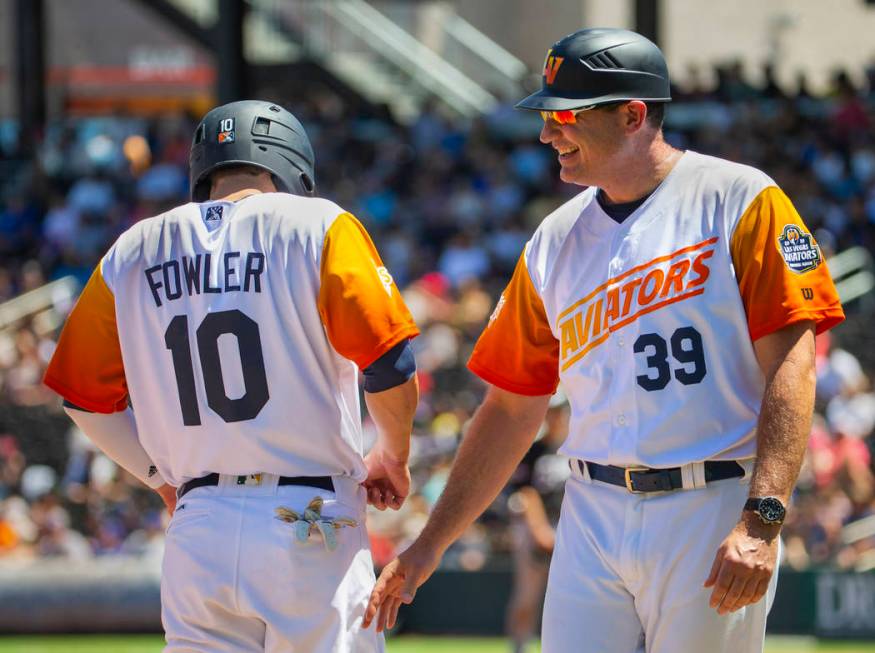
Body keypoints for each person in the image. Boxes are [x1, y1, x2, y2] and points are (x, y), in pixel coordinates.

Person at [363, 28, 845, 653]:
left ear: (632, 115)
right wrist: (429, 545)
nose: (546, 134)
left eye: (563, 115)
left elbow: (793, 364)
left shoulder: (739, 199)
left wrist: (765, 517)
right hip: (591, 509)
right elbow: (510, 407)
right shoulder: (553, 241)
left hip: (710, 503)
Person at [44, 100, 419, 653]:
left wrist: (161, 479)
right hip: (308, 516)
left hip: (200, 525)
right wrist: (393, 452)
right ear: (290, 166)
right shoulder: (318, 224)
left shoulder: (133, 248)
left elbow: (81, 399)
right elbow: (392, 364)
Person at [504, 392, 569, 653]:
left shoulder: (579, 446)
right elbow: (524, 493)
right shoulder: (534, 450)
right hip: (535, 530)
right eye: (551, 410)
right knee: (526, 598)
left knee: (570, 599)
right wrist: (539, 529)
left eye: (559, 410)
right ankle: (519, 647)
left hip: (571, 530)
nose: (555, 416)